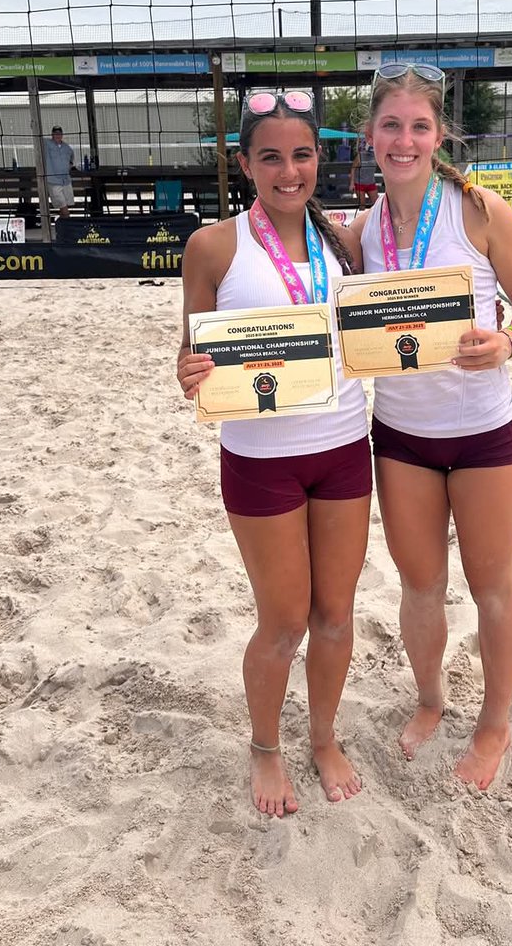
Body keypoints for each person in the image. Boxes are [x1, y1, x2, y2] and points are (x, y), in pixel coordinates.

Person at [355, 62, 512, 792]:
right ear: (370, 137)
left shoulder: (478, 211)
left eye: (418, 126)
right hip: (402, 435)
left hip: (484, 435)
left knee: (492, 585)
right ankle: (432, 699)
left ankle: (495, 721)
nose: (403, 140)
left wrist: (507, 343)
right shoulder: (364, 231)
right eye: (390, 125)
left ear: (438, 135)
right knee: (419, 585)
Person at [176, 89, 371, 817]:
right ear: (245, 163)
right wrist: (188, 371)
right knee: (284, 621)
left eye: (301, 155)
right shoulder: (214, 245)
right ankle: (265, 748)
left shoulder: (344, 241)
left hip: (347, 448)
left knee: (335, 617)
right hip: (260, 459)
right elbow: (191, 354)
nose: (288, 171)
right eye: (270, 157)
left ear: (319, 157)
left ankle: (322, 738)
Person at [44, 126, 75, 218]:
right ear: (52, 135)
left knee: (66, 203)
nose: (57, 135)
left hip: (65, 180)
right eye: (55, 133)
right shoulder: (46, 144)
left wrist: (70, 164)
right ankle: (69, 224)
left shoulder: (66, 147)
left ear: (62, 135)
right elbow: (36, 138)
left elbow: (71, 157)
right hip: (53, 180)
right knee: (62, 204)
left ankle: (62, 224)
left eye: (59, 133)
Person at [349, 139, 379, 209]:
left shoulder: (376, 156)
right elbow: (353, 168)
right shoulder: (360, 156)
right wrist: (352, 183)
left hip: (371, 182)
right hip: (360, 183)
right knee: (362, 205)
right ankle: (362, 218)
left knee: (377, 204)